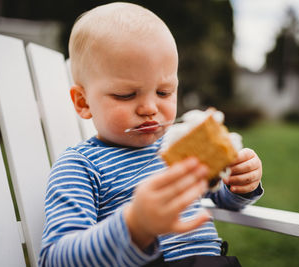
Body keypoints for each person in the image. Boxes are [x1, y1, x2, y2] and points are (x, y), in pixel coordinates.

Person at [39, 2, 263, 267]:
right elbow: (55, 258)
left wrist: (238, 183)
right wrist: (134, 226)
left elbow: (224, 200)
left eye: (164, 92)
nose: (149, 108)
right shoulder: (80, 166)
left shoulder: (178, 149)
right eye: (126, 94)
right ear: (83, 102)